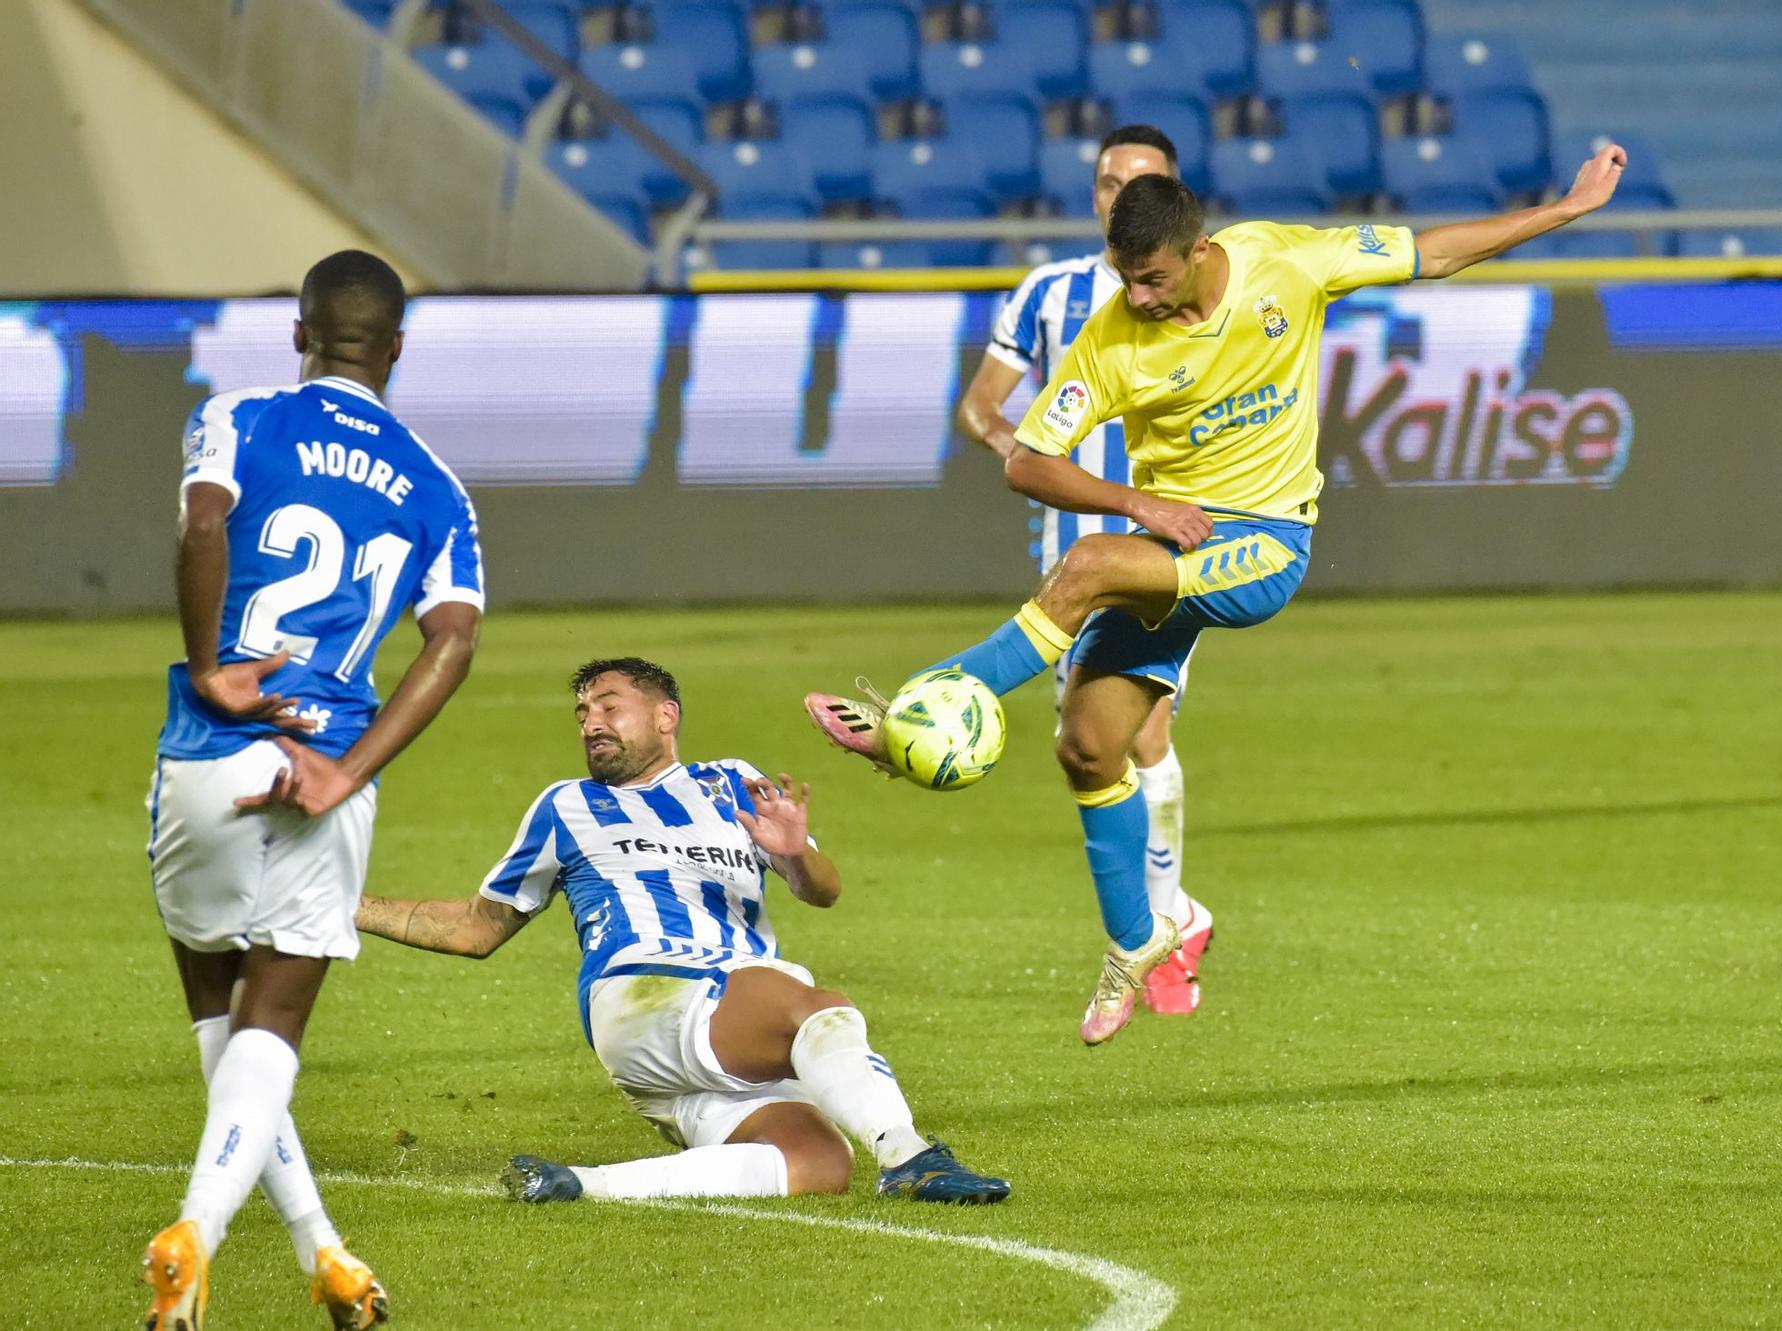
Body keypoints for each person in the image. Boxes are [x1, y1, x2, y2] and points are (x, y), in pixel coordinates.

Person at [810, 146, 1629, 1047]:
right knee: (1086, 749)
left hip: (1267, 544)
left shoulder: (1286, 262)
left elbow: (1433, 252)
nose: (1142, 298)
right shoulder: (1116, 333)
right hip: (1172, 541)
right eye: (1129, 281)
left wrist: (1568, 208)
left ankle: (917, 708)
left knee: (1085, 567)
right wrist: (1134, 499)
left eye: (1155, 279)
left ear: (1197, 249)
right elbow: (1028, 459)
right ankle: (1137, 937)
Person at [143, 250, 485, 1331]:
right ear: (392, 349)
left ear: (300, 332)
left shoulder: (237, 416)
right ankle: (213, 1231)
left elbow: (203, 527)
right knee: (273, 1020)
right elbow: (453, 639)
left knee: (218, 1001)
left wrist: (209, 667)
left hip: (212, 741)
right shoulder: (437, 483)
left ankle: (319, 1256)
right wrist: (348, 765)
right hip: (327, 759)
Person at [353, 658, 1010, 1207]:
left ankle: (575, 1184)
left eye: (609, 706)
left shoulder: (731, 782)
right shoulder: (569, 805)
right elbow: (477, 926)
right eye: (583, 714)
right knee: (819, 1007)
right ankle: (910, 1155)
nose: (592, 723)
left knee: (816, 1161)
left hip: (723, 1025)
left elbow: (823, 890)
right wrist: (339, 905)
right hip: (648, 994)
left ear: (666, 714)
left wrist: (794, 853)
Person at [954, 125, 1212, 1018]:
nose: (1117, 197)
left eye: (1138, 183)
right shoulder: (1049, 292)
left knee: (1142, 737)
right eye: (1107, 182)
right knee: (1088, 742)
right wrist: (1018, 452)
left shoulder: (1203, 295)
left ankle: (1169, 926)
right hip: (1070, 551)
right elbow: (982, 406)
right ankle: (1172, 918)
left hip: (1164, 547)